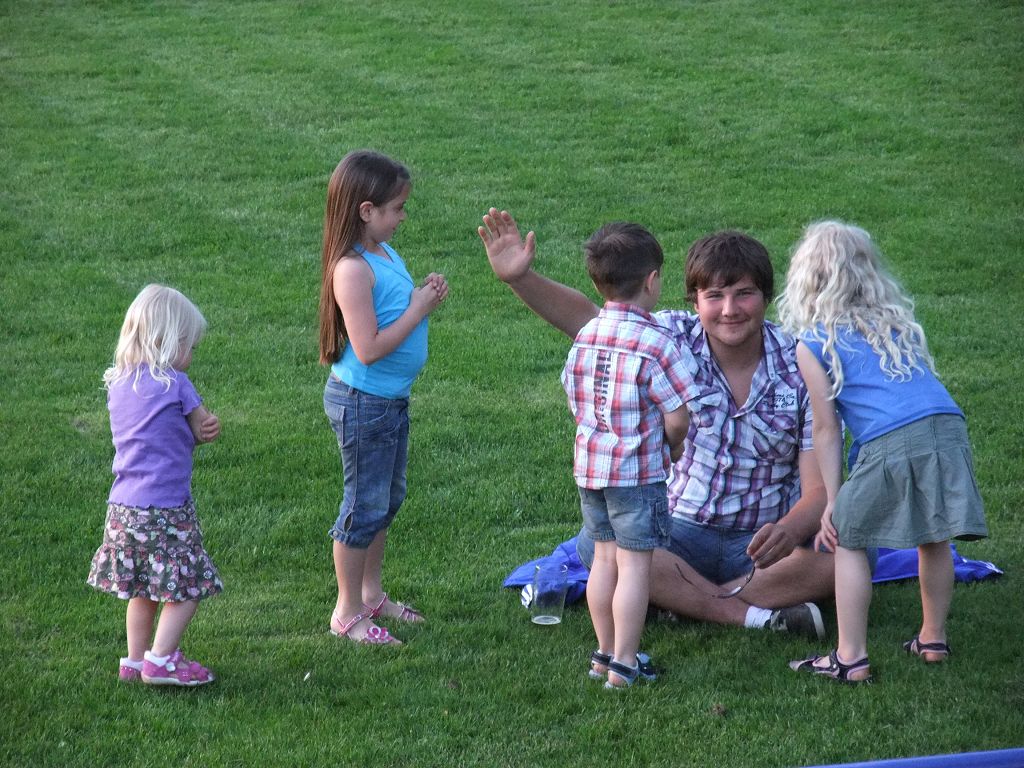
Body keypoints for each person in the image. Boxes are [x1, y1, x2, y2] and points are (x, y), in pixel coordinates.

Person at [478, 208, 835, 641]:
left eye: (744, 294)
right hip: (676, 532)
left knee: (849, 554)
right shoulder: (666, 337)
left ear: (765, 297)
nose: (730, 310)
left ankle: (684, 600)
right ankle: (742, 612)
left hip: (762, 541)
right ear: (694, 301)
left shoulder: (801, 363)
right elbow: (591, 320)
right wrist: (521, 278)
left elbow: (819, 488)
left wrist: (790, 530)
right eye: (715, 296)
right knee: (596, 546)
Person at [780, 221, 987, 683]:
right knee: (934, 533)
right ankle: (932, 639)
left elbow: (826, 428)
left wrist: (833, 501)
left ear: (805, 278)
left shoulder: (813, 344)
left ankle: (850, 658)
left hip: (893, 436)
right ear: (867, 271)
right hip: (947, 426)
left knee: (849, 537)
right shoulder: (896, 324)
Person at [318, 150, 448, 645]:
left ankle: (371, 594)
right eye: (397, 208)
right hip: (363, 403)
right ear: (366, 210)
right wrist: (418, 309)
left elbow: (395, 308)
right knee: (362, 506)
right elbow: (368, 348)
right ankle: (347, 611)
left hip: (388, 401)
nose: (403, 217)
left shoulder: (384, 253)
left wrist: (421, 295)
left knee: (386, 500)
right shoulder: (351, 270)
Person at [562, 223, 697, 688]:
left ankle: (603, 653)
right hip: (637, 476)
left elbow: (574, 396)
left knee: (603, 560)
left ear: (597, 282)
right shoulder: (656, 342)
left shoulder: (586, 335)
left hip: (590, 472)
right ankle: (625, 664)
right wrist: (673, 446)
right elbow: (678, 416)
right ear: (652, 280)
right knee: (635, 567)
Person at [87, 284, 223, 687]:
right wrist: (207, 430)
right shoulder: (176, 383)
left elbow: (151, 433)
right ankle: (161, 660)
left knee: (140, 586)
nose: (191, 355)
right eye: (189, 346)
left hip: (123, 509)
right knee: (190, 585)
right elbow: (199, 428)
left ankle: (133, 661)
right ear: (168, 341)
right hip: (167, 507)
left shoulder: (118, 383)